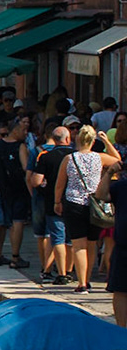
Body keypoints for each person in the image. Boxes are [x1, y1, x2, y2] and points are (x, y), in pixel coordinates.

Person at [56, 124, 120, 291]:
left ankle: (81, 282)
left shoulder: (69, 159)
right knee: (91, 243)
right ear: (93, 141)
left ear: (77, 139)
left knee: (78, 245)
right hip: (94, 205)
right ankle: (88, 279)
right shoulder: (100, 157)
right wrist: (107, 142)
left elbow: (60, 184)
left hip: (74, 203)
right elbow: (118, 160)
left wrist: (57, 202)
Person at [0, 115, 33, 271]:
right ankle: (15, 256)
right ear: (16, 130)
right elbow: (26, 168)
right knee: (17, 222)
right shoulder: (21, 146)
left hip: (4, 189)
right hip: (19, 188)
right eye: (24, 130)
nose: (26, 133)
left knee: (6, 223)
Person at [31, 124, 76, 286]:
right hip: (74, 201)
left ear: (54, 140)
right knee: (71, 239)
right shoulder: (76, 156)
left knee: (57, 238)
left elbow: (35, 181)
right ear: (68, 139)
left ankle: (62, 273)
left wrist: (45, 185)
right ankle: (70, 271)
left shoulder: (46, 157)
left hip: (53, 202)